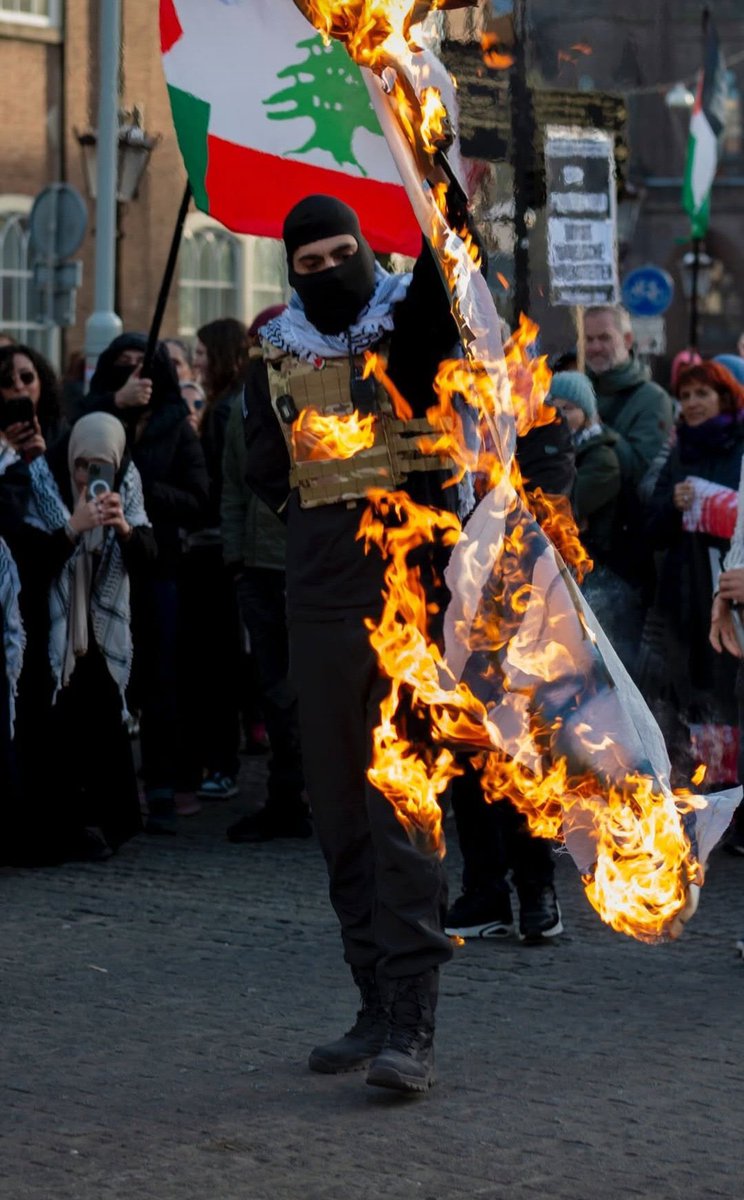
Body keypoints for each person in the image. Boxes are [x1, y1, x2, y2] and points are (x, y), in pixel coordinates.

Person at [242, 193, 466, 1094]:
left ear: (368, 252)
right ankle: (371, 1001)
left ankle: (413, 1025)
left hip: (410, 605)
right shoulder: (275, 357)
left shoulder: (407, 326)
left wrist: (440, 190)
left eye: (345, 253)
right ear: (290, 273)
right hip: (321, 607)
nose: (331, 271)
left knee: (401, 814)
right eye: (311, 262)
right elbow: (264, 469)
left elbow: (444, 289)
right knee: (338, 814)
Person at [445, 403, 576, 944]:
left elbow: (546, 503)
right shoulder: (439, 410)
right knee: (469, 751)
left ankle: (537, 891)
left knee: (524, 753)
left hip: (525, 613)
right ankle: (484, 892)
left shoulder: (538, 414)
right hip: (454, 611)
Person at [8, 413, 156, 862]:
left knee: (100, 727)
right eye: (81, 465)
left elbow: (150, 558)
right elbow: (25, 561)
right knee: (49, 734)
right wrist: (72, 528)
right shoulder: (34, 482)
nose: (88, 476)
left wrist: (123, 529)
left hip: (98, 630)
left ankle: (102, 824)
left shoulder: (127, 484)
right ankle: (52, 832)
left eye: (100, 466)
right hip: (47, 633)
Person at [78, 334, 210, 831]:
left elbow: (199, 498)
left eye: (143, 368)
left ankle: (161, 784)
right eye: (123, 368)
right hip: (98, 565)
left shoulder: (177, 429)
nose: (134, 376)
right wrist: (115, 405)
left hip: (157, 565)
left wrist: (141, 489)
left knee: (160, 678)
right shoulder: (102, 416)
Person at [221, 305, 310, 843]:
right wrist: (235, 557)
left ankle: (319, 795)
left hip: (301, 568)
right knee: (274, 692)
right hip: (257, 568)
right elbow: (234, 485)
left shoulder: (319, 403)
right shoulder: (242, 409)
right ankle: (285, 796)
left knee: (311, 692)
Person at [646, 359, 744, 788]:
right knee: (693, 690)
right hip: (686, 588)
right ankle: (712, 787)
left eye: (702, 394)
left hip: (732, 584)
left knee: (732, 690)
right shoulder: (681, 448)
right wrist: (673, 504)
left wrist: (717, 507)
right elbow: (651, 528)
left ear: (725, 396)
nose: (692, 403)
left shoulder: (740, 446)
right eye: (685, 396)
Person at [182, 318, 250, 800]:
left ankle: (221, 764)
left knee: (218, 662)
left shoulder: (226, 411)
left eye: (203, 354)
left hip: (215, 548)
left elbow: (224, 484)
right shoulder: (224, 406)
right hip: (218, 545)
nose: (197, 363)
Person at [0, 343, 66, 461]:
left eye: (26, 377)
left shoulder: (62, 433)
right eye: (6, 380)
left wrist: (42, 458)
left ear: (41, 380)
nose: (19, 386)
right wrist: (6, 452)